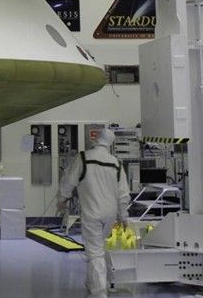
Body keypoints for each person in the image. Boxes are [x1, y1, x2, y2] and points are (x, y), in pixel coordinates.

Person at [57, 127, 131, 298]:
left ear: (96, 139)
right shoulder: (116, 163)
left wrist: (62, 199)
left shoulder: (84, 158)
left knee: (95, 252)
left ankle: (99, 293)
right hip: (110, 215)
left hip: (92, 213)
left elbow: (69, 181)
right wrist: (123, 216)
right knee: (96, 249)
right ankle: (91, 284)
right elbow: (123, 194)